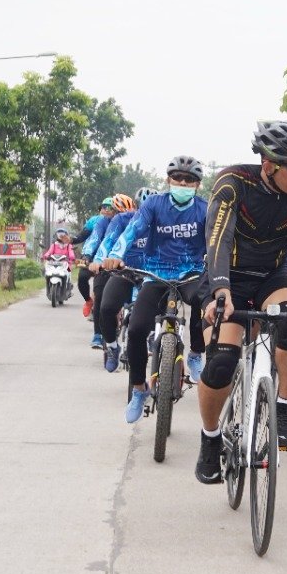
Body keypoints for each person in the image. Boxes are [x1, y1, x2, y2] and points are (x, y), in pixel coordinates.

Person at [195, 120, 287, 484]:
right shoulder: (234, 183)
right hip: (229, 276)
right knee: (222, 361)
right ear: (269, 165)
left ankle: (284, 409)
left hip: (273, 274)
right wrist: (220, 289)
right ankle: (209, 440)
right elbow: (217, 238)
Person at [102, 160, 209, 423]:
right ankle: (139, 389)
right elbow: (134, 228)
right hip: (156, 274)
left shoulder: (205, 209)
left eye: (188, 180)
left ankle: (195, 352)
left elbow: (215, 240)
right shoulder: (154, 205)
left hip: (191, 273)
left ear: (197, 184)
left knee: (202, 301)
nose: (182, 184)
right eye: (177, 178)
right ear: (168, 180)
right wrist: (115, 254)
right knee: (137, 329)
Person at [92, 187, 158, 373]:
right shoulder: (122, 220)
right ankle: (112, 347)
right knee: (106, 307)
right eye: (141, 209)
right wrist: (99, 259)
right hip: (125, 271)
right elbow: (109, 240)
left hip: (153, 275)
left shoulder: (162, 223)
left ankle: (154, 335)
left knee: (159, 306)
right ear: (135, 208)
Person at [84, 194, 136, 350]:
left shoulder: (137, 222)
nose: (119, 216)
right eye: (115, 212)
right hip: (105, 264)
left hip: (132, 266)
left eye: (123, 212)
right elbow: (99, 240)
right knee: (100, 296)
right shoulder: (103, 223)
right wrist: (91, 257)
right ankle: (98, 334)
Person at [74, 197, 116, 320]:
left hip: (108, 258)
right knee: (81, 277)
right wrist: (70, 240)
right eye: (104, 207)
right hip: (89, 256)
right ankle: (88, 300)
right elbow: (81, 237)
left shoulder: (118, 222)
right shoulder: (94, 221)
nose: (106, 210)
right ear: (100, 210)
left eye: (110, 208)